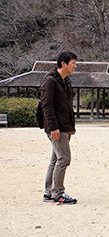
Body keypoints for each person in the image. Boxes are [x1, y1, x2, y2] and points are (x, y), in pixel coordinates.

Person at [41, 51, 78, 205]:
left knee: (55, 159)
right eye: (73, 63)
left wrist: (71, 126)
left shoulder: (65, 80)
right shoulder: (50, 81)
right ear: (64, 63)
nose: (75, 66)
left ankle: (49, 192)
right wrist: (53, 127)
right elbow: (47, 105)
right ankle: (58, 193)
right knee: (64, 159)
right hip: (57, 127)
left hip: (64, 126)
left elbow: (67, 106)